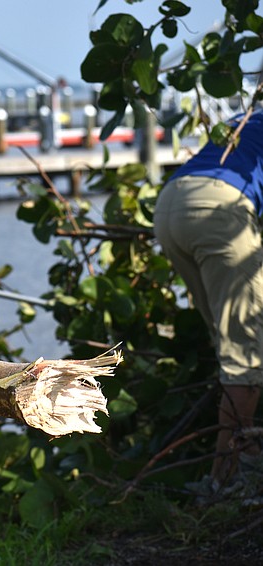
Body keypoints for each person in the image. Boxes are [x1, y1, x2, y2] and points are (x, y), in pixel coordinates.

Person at [153, 108, 263, 494]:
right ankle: (228, 478)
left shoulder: (245, 116)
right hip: (219, 208)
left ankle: (241, 453)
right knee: (245, 350)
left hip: (171, 205)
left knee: (227, 339)